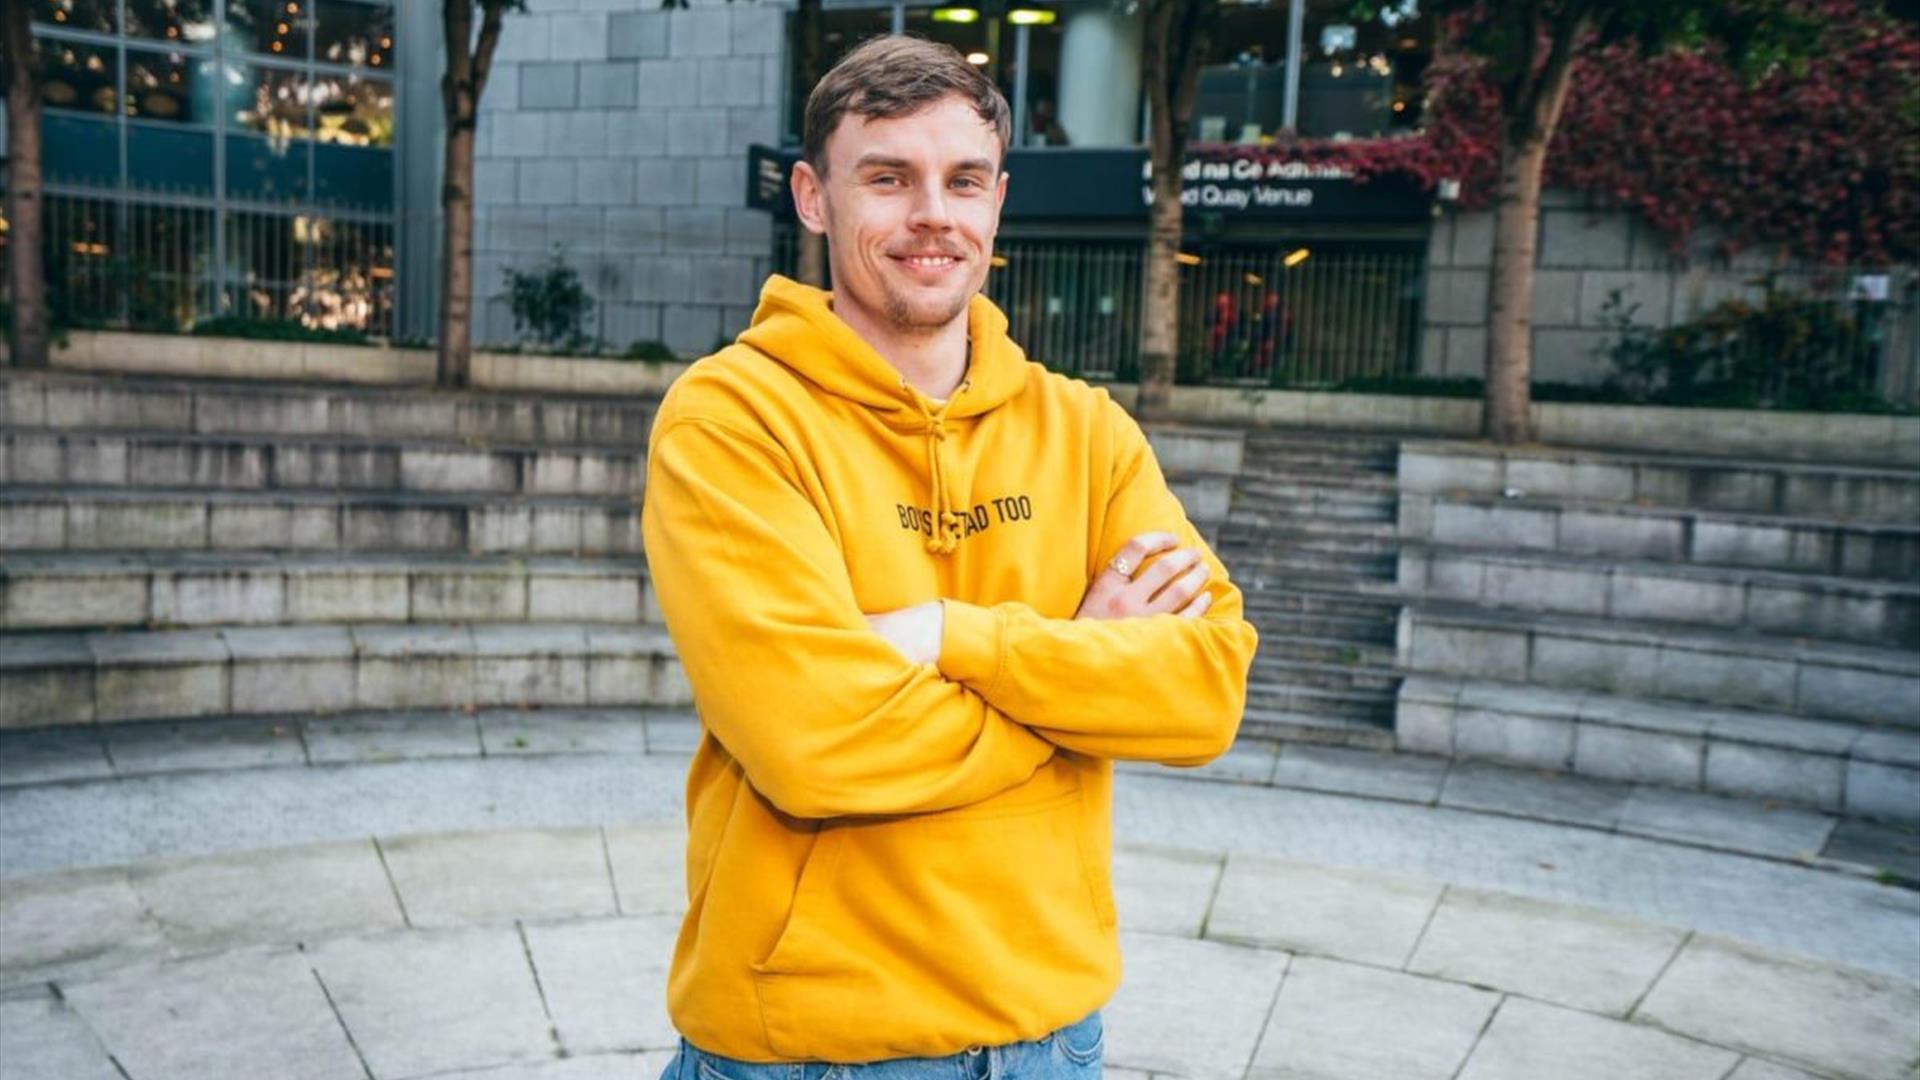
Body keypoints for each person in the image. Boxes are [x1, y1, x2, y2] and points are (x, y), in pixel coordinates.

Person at [640, 35, 1258, 1076]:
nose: (934, 214)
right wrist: (1075, 682)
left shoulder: (1088, 432)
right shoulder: (732, 421)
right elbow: (813, 745)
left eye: (963, 180)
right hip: (815, 1049)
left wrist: (944, 636)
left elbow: (1205, 692)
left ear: (997, 200)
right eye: (887, 177)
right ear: (813, 196)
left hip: (1053, 1041)